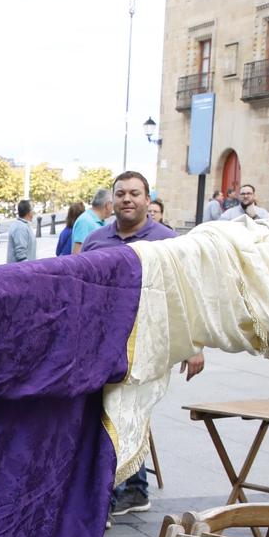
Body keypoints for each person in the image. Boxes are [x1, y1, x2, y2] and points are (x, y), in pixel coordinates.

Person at [83, 173, 204, 516]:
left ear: (148, 199)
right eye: (120, 194)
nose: (127, 199)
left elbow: (187, 295)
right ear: (112, 201)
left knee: (128, 413)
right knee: (113, 415)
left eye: (134, 193)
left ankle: (110, 496)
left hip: (148, 345)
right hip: (102, 346)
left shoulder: (168, 242)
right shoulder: (95, 241)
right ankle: (134, 488)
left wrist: (194, 345)